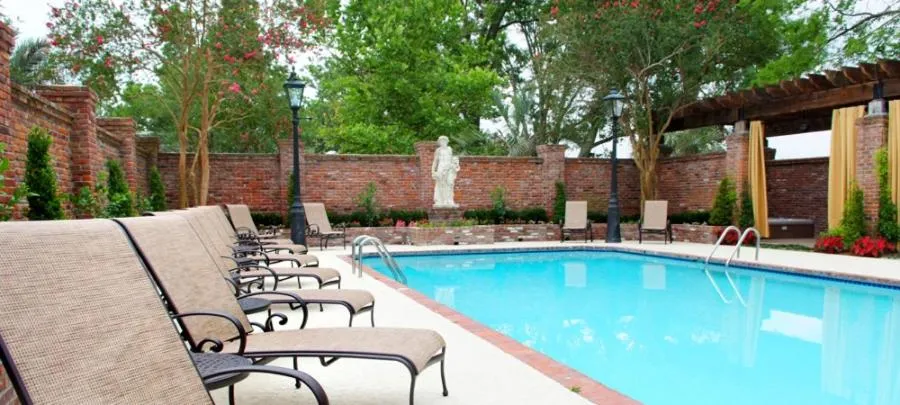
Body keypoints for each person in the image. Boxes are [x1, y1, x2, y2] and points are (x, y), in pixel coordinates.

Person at [431, 136, 459, 207]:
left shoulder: (449, 149)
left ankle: (449, 200)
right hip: (441, 169)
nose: (442, 142)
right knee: (441, 185)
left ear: (447, 141)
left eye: (444, 141)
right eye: (441, 141)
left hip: (449, 168)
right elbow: (435, 161)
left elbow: (452, 159)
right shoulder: (438, 150)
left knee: (450, 184)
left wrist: (454, 165)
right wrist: (433, 171)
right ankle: (441, 201)